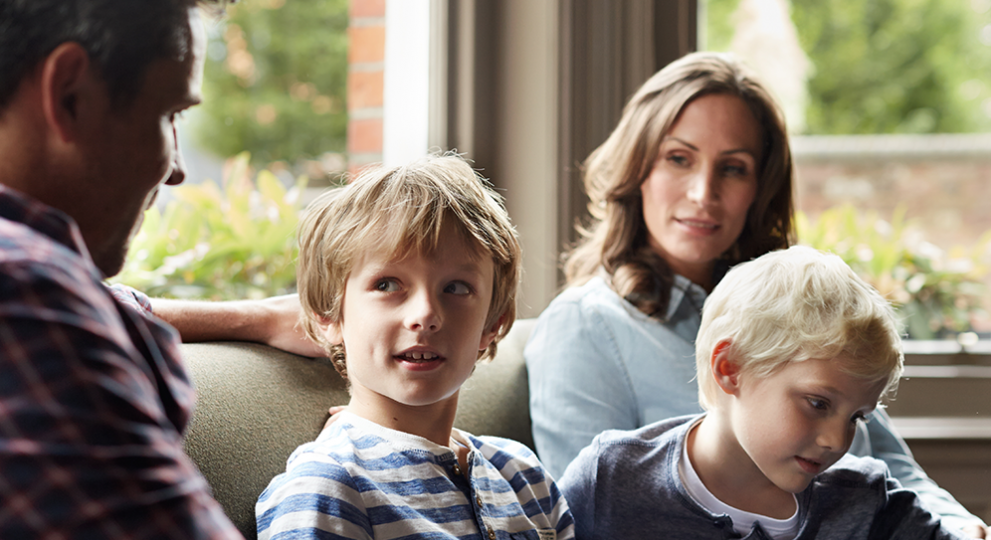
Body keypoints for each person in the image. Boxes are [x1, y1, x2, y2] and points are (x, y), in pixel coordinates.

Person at [524, 51, 989, 536]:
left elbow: (896, 470)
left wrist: (960, 528)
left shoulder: (804, 316)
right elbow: (588, 520)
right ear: (638, 169)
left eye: (734, 168)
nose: (704, 192)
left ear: (759, 189)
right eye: (679, 158)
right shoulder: (585, 327)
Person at [0, 0, 246, 537]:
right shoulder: (25, 292)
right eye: (169, 114)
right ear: (70, 96)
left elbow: (113, 299)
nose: (177, 170)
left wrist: (257, 318)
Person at [254, 155, 574, 540]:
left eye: (456, 287)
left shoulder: (524, 476)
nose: (425, 314)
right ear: (329, 317)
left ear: (493, 325)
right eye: (387, 284)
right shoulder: (326, 488)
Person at [559, 246, 968, 540]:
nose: (837, 441)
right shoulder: (608, 479)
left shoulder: (868, 504)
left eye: (857, 417)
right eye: (818, 403)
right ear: (730, 368)